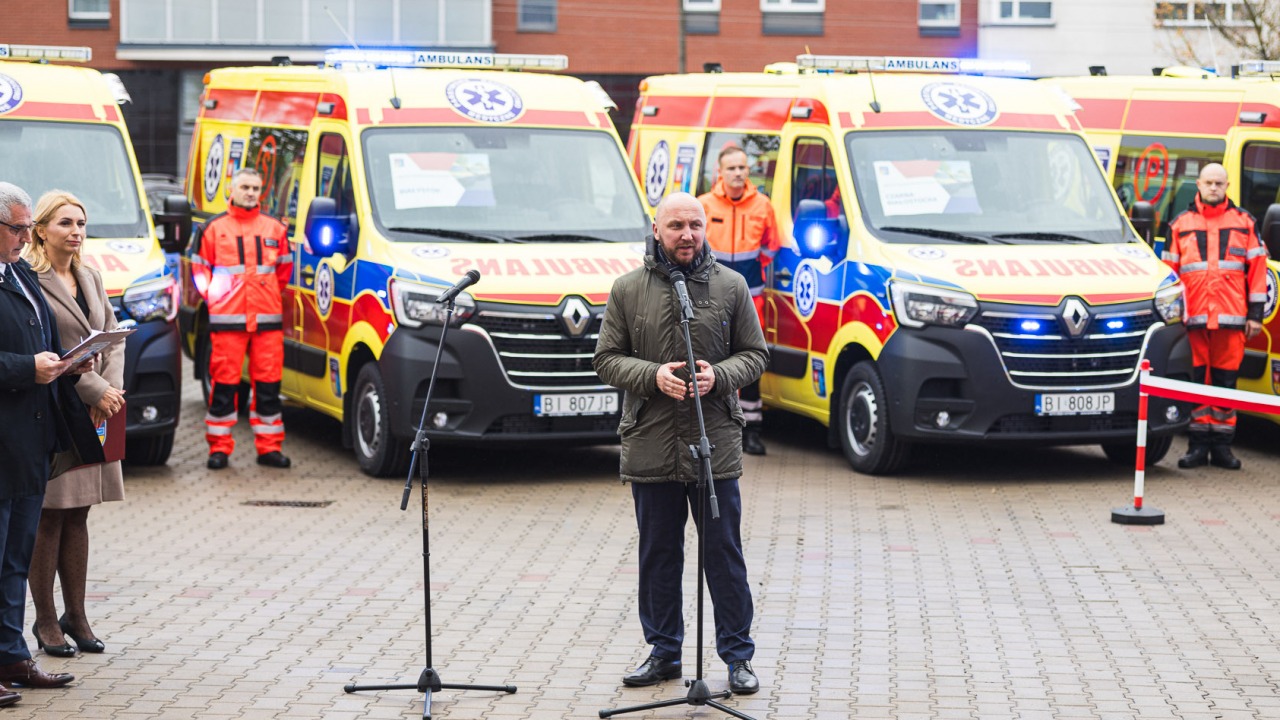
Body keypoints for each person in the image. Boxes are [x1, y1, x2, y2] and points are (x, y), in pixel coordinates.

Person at [594, 192, 768, 695]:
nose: (688, 234)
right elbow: (606, 359)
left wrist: (721, 375)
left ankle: (738, 657)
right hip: (650, 442)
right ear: (656, 229)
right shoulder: (627, 289)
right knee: (659, 555)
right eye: (676, 226)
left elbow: (755, 354)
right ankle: (664, 652)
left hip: (715, 445)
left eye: (695, 224)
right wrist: (652, 377)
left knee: (724, 554)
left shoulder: (731, 286)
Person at [0, 181, 102, 705]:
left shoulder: (17, 275)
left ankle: (13, 656)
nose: (22, 238)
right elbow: (20, 358)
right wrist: (28, 368)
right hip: (6, 438)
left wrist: (69, 362)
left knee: (15, 558)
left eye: (23, 228)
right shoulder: (22, 275)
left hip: (32, 438)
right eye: (16, 228)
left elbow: (44, 342)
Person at [24, 191, 125, 658]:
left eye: (81, 223)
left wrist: (111, 391)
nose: (76, 232)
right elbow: (46, 348)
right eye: (65, 223)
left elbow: (113, 337)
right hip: (57, 412)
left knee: (80, 514)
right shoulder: (29, 279)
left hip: (96, 412)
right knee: (49, 517)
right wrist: (92, 391)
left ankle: (77, 615)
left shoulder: (91, 275)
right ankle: (45, 621)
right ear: (41, 229)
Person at [1163, 163, 1268, 470]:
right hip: (1193, 318)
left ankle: (1222, 446)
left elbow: (1257, 272)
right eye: (1208, 182)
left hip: (1232, 318)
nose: (1213, 188)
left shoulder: (1244, 222)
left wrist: (1255, 315)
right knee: (1197, 382)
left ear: (1227, 186)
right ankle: (1197, 446)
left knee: (1224, 383)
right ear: (1198, 184)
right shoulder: (1179, 224)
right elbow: (1169, 274)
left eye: (1218, 183)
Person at [189, 167, 293, 470]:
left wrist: (266, 296)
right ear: (231, 190)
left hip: (267, 323)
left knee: (269, 388)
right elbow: (199, 270)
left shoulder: (275, 229)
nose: (250, 192)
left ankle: (269, 448)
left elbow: (282, 274)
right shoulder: (213, 229)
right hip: (227, 322)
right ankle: (219, 449)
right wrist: (215, 299)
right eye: (245, 187)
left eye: (255, 188)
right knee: (224, 387)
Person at [698, 146, 779, 456]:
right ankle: (713, 428)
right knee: (713, 358)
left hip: (751, 297)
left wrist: (753, 273)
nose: (738, 173)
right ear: (720, 172)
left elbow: (771, 246)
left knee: (750, 359)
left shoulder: (763, 205)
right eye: (731, 168)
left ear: (749, 170)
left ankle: (752, 430)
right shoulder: (704, 205)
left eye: (742, 167)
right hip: (712, 296)